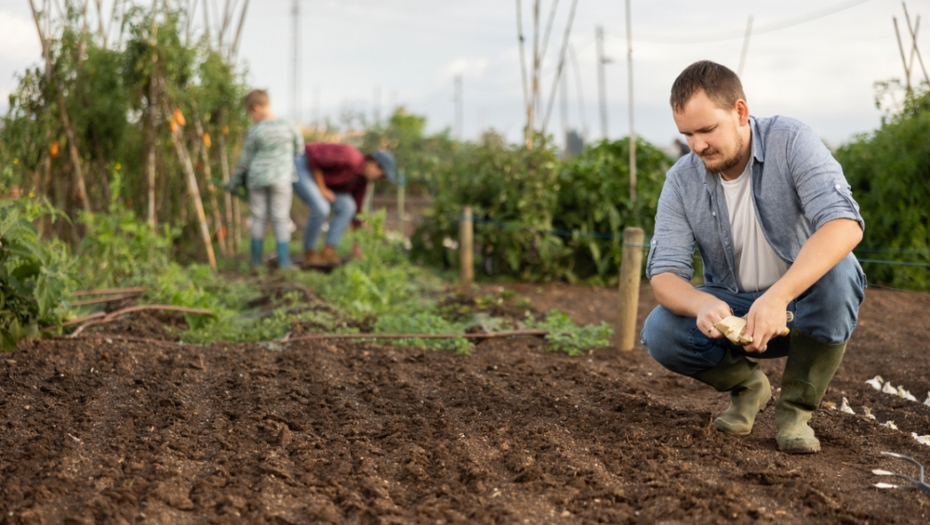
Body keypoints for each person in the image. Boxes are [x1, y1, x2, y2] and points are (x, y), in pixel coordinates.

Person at [640, 61, 866, 454]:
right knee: (661, 329)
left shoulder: (791, 140)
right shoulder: (681, 179)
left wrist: (777, 297)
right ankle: (748, 388)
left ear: (740, 112)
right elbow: (664, 275)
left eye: (707, 130)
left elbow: (845, 224)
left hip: (801, 308)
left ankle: (795, 411)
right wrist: (703, 303)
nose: (697, 146)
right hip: (736, 316)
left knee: (840, 271)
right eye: (687, 134)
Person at [226, 90, 304, 272]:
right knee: (280, 219)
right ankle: (284, 264)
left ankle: (256, 264)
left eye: (250, 114)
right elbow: (299, 150)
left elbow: (245, 161)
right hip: (281, 178)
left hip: (257, 179)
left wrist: (234, 182)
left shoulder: (254, 131)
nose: (251, 118)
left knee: (258, 219)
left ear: (257, 108)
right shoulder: (289, 126)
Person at [292, 143, 396, 265]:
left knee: (348, 207)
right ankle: (309, 253)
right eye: (381, 176)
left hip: (320, 178)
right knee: (321, 208)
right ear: (374, 165)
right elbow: (315, 159)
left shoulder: (361, 181)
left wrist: (357, 245)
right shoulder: (350, 157)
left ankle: (328, 251)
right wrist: (322, 188)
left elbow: (357, 213)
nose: (379, 180)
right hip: (303, 165)